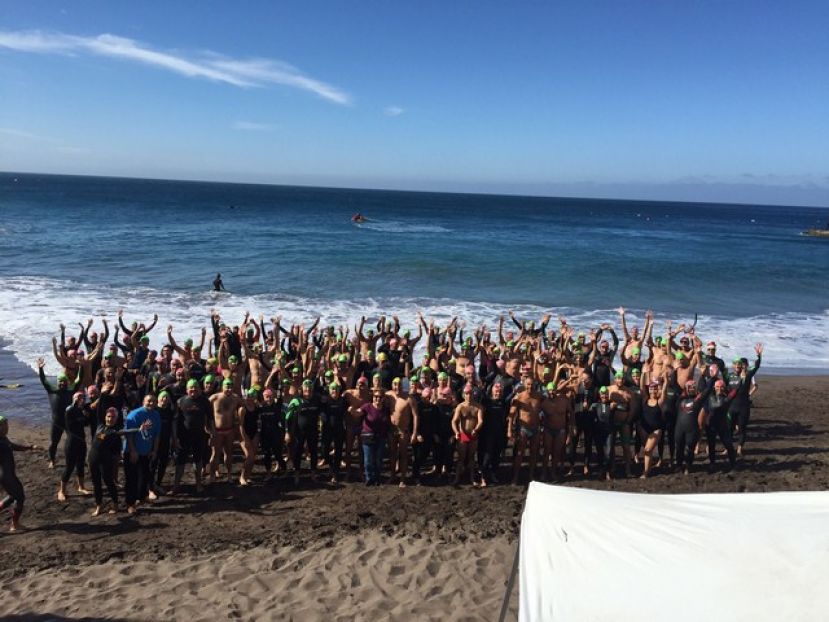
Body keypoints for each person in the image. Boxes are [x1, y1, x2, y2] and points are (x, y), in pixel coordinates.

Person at [89, 407, 149, 516]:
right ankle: (99, 505)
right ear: (105, 417)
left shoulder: (115, 431)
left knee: (109, 482)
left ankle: (115, 504)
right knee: (96, 483)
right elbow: (99, 407)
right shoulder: (100, 425)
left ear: (116, 419)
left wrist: (139, 429)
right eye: (108, 416)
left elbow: (126, 431)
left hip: (104, 460)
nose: (110, 419)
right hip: (92, 459)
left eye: (113, 417)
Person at [37, 357, 82, 469]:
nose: (62, 383)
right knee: (53, 443)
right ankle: (52, 460)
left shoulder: (71, 391)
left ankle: (74, 459)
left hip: (68, 422)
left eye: (64, 381)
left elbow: (79, 379)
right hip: (56, 422)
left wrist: (81, 366)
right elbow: (44, 380)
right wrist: (41, 369)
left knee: (73, 441)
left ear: (67, 382)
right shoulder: (52, 391)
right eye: (60, 381)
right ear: (57, 382)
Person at [0, 416, 40, 531]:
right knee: (20, 498)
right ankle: (15, 524)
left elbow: (13, 446)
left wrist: (30, 447)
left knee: (13, 496)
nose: (6, 428)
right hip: (6, 476)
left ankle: (15, 524)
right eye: (3, 426)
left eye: (7, 425)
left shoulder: (4, 438)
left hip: (9, 474)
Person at [123, 394, 161, 514]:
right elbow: (129, 435)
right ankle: (130, 503)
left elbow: (157, 435)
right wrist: (133, 451)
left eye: (154, 401)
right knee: (132, 479)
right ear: (143, 401)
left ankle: (142, 497)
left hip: (146, 451)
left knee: (145, 476)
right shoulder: (135, 414)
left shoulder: (156, 415)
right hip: (133, 452)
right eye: (149, 401)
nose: (151, 403)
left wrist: (154, 450)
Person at [172, 379, 210, 494]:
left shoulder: (205, 401)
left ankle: (198, 484)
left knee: (198, 460)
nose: (193, 390)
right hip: (183, 436)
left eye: (195, 387)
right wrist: (175, 438)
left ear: (199, 388)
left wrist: (212, 433)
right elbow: (175, 421)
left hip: (199, 435)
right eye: (190, 388)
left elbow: (210, 418)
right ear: (187, 389)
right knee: (180, 461)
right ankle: (176, 486)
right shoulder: (180, 401)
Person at [58, 391, 92, 501]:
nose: (80, 399)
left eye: (82, 397)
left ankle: (81, 487)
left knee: (81, 464)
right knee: (69, 467)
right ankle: (62, 491)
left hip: (81, 441)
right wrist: (80, 410)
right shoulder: (70, 410)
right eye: (78, 397)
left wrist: (86, 416)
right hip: (71, 443)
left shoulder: (81, 410)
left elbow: (86, 424)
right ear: (74, 399)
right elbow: (71, 425)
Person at [451, 383, 483, 486]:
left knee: (471, 457)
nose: (468, 396)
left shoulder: (478, 407)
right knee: (461, 457)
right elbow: (454, 421)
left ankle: (472, 478)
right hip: (463, 434)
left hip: (473, 434)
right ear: (463, 395)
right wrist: (456, 432)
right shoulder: (460, 407)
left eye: (470, 393)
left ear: (473, 394)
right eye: (466, 394)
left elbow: (480, 421)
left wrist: (476, 429)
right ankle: (457, 478)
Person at [359, 390, 390, 485]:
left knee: (378, 459)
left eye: (380, 397)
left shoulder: (386, 409)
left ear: (383, 398)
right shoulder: (367, 406)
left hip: (381, 437)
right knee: (368, 459)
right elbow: (358, 412)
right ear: (372, 397)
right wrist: (353, 411)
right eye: (376, 396)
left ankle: (377, 477)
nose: (378, 399)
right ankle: (369, 477)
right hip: (368, 435)